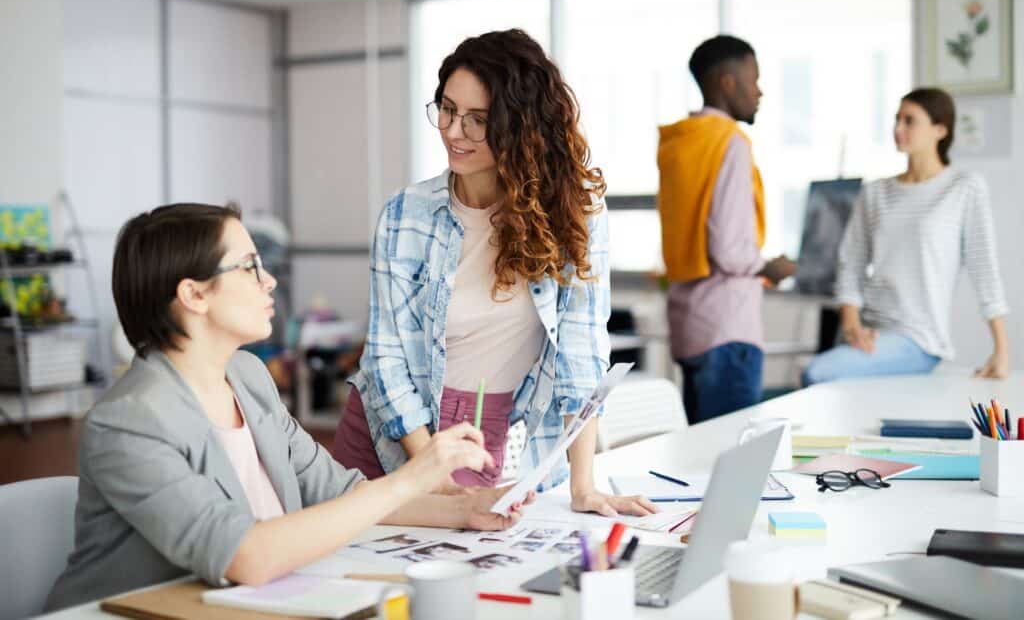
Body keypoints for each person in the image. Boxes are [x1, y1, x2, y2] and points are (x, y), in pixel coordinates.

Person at [45, 203, 529, 612]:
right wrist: (412, 475)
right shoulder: (129, 422)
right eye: (250, 267)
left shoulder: (248, 378)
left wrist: (468, 509)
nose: (270, 280)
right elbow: (245, 555)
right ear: (193, 294)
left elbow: (338, 492)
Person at [332, 29, 656, 518]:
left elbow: (581, 353)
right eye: (446, 109)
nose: (453, 131)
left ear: (520, 126)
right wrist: (431, 470)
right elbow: (386, 357)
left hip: (484, 437)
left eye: (478, 120)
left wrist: (583, 486)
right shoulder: (407, 214)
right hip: (392, 436)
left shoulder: (574, 214)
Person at [802, 88, 1009, 385]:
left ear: (940, 129)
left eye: (910, 121)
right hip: (868, 333)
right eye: (896, 119)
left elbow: (984, 270)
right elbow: (852, 265)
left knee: (817, 372)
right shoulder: (875, 192)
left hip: (918, 340)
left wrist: (1001, 349)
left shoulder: (964, 188)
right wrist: (851, 325)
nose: (898, 129)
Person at [657, 35, 796, 424]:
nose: (760, 91)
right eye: (753, 79)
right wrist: (771, 268)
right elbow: (731, 250)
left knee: (697, 461)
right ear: (727, 82)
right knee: (730, 458)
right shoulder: (730, 143)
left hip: (689, 326)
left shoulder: (678, 143)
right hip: (729, 328)